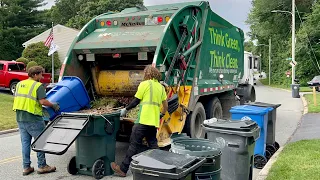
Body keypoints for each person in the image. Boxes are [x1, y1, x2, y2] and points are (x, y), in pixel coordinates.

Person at [111, 65, 168, 177]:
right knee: (153, 146)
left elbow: (136, 101)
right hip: (153, 122)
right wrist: (161, 114)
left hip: (142, 121)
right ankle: (160, 169)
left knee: (134, 144)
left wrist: (125, 109)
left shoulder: (144, 84)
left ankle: (123, 169)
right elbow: (165, 106)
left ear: (148, 74)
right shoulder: (161, 87)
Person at [12, 66, 60, 176]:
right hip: (33, 118)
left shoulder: (20, 84)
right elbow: (42, 101)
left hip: (20, 117)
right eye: (40, 74)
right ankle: (42, 166)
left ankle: (26, 167)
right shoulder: (38, 86)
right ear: (35, 75)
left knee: (25, 143)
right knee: (40, 141)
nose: (42, 77)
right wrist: (53, 105)